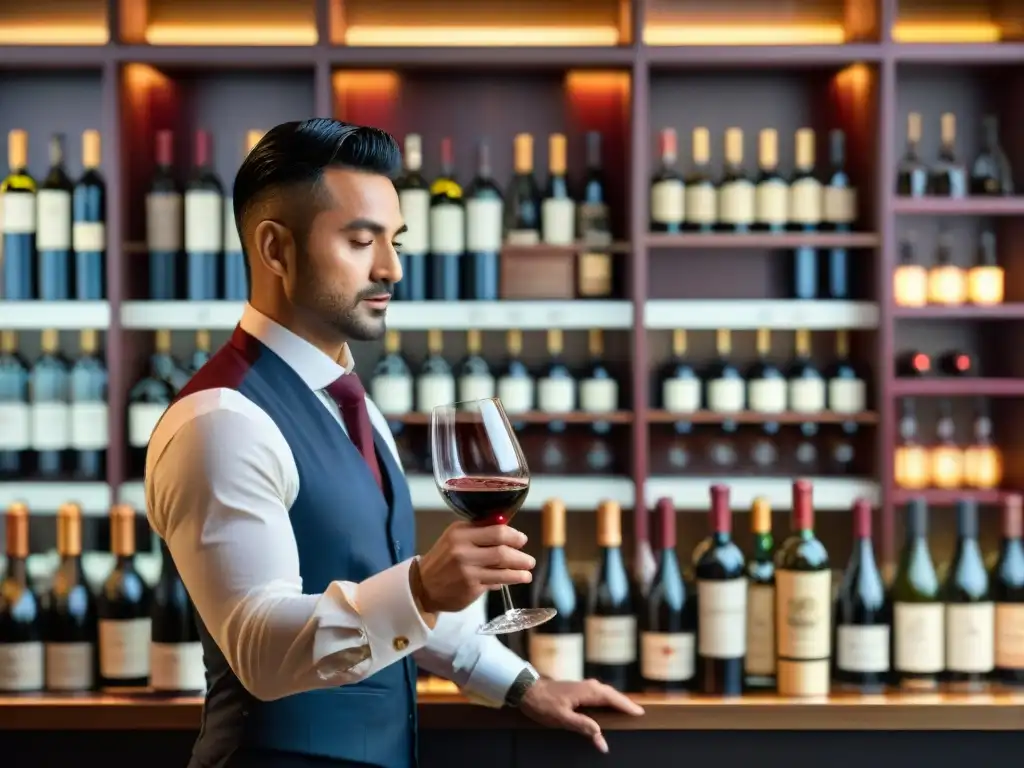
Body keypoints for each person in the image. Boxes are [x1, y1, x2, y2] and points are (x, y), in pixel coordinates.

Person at [145, 118, 643, 768]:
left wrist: (522, 685)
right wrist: (424, 589)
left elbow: (375, 582)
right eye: (360, 241)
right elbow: (259, 650)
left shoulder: (349, 400)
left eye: (395, 240)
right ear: (275, 249)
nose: (393, 268)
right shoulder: (221, 420)